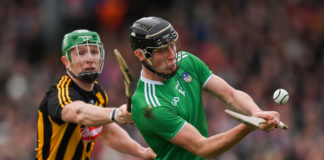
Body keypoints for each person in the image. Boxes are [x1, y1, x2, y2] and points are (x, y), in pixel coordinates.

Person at [128, 16, 282, 159]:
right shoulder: (149, 106)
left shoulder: (187, 62)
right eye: (162, 50)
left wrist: (257, 113)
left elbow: (231, 95)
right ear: (141, 55)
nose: (172, 54)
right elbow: (203, 147)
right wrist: (250, 125)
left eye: (172, 45)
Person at [35, 29, 156, 160]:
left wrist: (142, 152)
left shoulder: (99, 94)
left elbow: (107, 132)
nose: (90, 59)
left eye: (94, 52)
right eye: (81, 53)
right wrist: (115, 113)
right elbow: (79, 113)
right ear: (66, 61)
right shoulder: (59, 93)